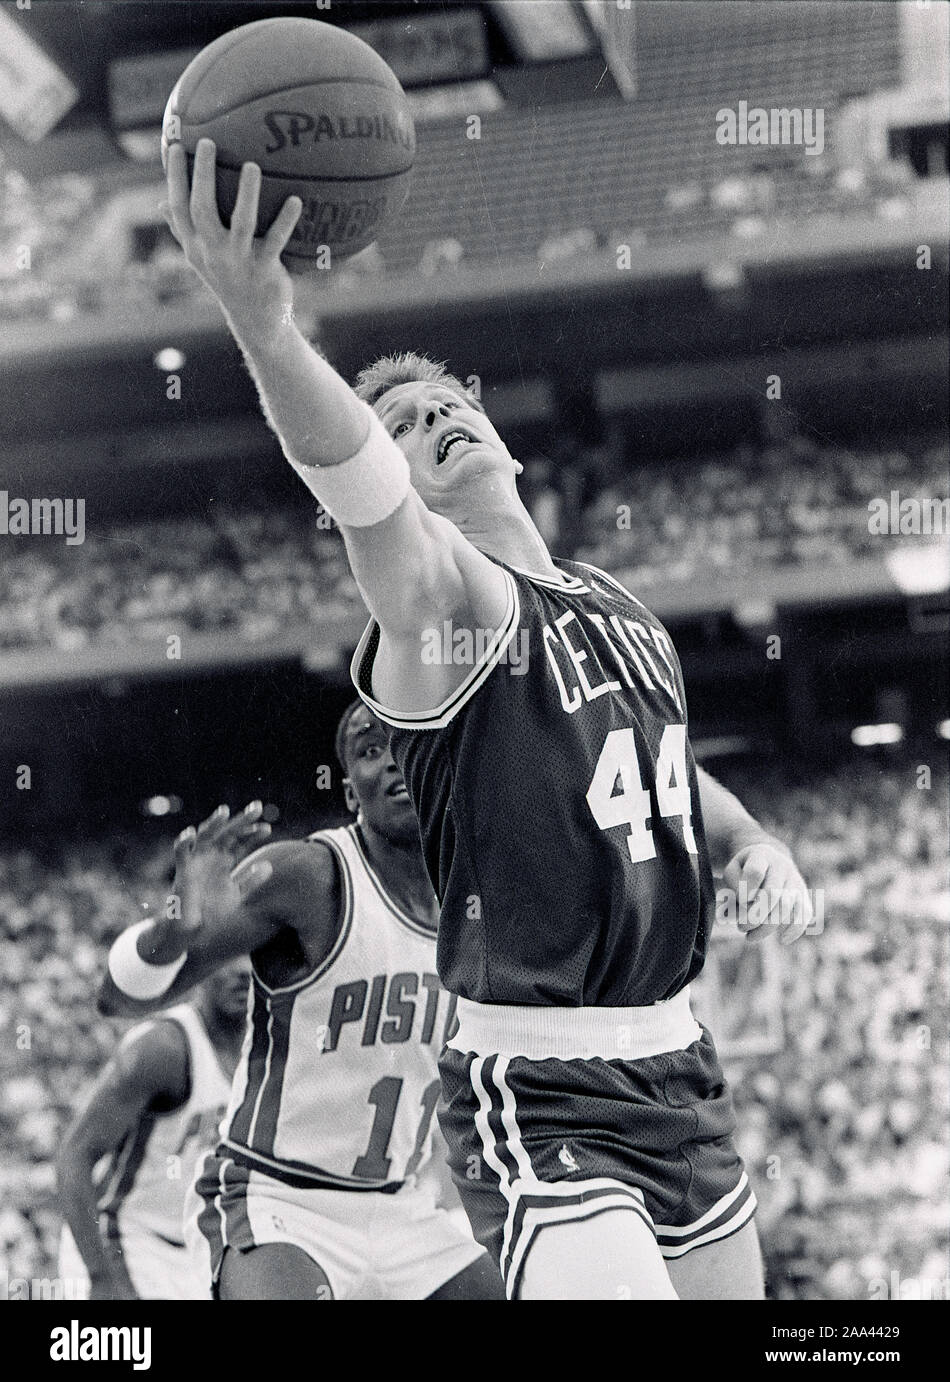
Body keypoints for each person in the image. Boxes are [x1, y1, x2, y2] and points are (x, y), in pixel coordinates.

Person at [157, 137, 814, 1299]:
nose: (433, 416)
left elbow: (659, 770)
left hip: (676, 1062)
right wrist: (266, 327)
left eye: (447, 400)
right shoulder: (443, 603)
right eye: (404, 420)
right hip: (540, 1082)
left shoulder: (617, 606)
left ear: (502, 435)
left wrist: (750, 841)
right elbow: (353, 479)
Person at [99, 701, 503, 1301]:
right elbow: (118, 1000)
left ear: (443, 764)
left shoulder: (479, 904)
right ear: (349, 791)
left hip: (401, 1206)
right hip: (280, 1199)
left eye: (408, 744)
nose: (392, 763)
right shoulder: (307, 876)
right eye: (370, 751)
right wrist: (173, 927)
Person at [58, 963, 248, 1300]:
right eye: (231, 957)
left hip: (199, 1249)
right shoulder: (163, 1047)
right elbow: (74, 1155)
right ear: (202, 967)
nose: (244, 971)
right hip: (125, 1237)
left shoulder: (270, 1044)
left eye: (255, 954)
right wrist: (99, 1276)